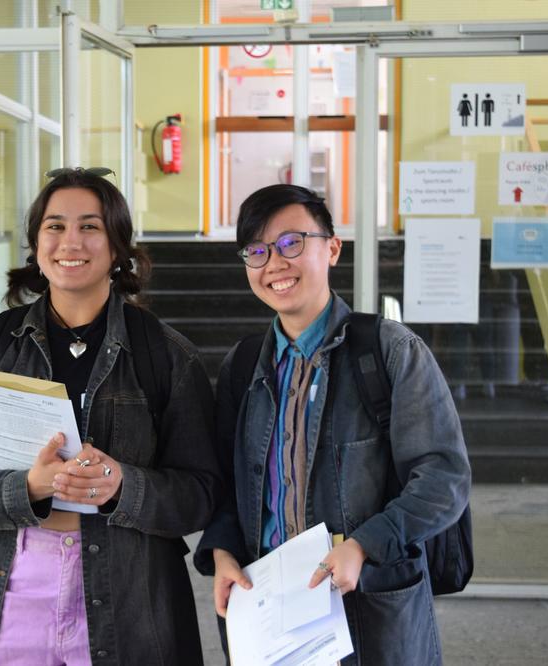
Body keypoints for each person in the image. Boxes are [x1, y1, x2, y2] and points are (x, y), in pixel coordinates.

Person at [0, 168, 221, 665]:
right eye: (55, 226)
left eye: (90, 226)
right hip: (11, 585)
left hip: (127, 592)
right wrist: (27, 487)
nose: (71, 242)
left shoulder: (167, 356)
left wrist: (124, 485)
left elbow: (201, 495)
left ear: (117, 246)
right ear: (36, 243)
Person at [195, 184, 471, 665]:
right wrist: (222, 552)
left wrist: (365, 544)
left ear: (333, 248)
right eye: (257, 251)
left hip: (367, 607)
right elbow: (225, 484)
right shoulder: (243, 366)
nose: (274, 264)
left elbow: (443, 477)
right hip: (270, 614)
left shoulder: (389, 352)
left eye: (291, 243)